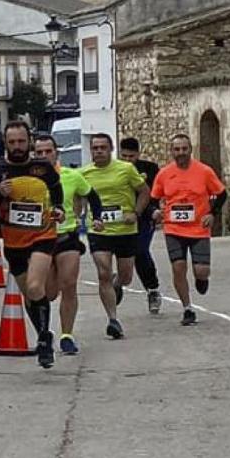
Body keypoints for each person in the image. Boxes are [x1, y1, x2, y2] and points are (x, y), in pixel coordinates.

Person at [0, 121, 66, 369]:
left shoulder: (42, 168)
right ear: (5, 143)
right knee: (30, 296)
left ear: (29, 141)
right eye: (12, 142)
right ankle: (43, 335)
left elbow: (56, 192)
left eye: (21, 141)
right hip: (13, 241)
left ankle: (44, 341)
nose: (17, 146)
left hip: (42, 235)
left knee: (36, 286)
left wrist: (59, 210)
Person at [34, 134, 102, 355]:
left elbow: (92, 196)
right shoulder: (29, 178)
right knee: (49, 293)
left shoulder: (72, 176)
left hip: (67, 237)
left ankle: (67, 335)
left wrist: (97, 217)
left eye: (48, 151)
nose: (44, 155)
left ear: (56, 153)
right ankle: (44, 332)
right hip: (40, 239)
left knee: (69, 285)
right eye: (39, 152)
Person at [151, 133, 227, 326]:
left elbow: (221, 194)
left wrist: (212, 213)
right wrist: (155, 211)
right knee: (178, 268)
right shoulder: (165, 173)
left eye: (184, 149)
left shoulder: (204, 171)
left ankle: (201, 279)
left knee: (201, 271)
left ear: (190, 150)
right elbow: (153, 198)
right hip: (173, 228)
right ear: (171, 151)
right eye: (177, 149)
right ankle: (187, 308)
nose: (181, 153)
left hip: (198, 228)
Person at [81, 133, 150, 341]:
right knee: (103, 273)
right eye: (95, 148)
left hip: (125, 230)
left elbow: (145, 192)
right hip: (99, 230)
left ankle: (117, 284)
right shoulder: (84, 173)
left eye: (103, 147)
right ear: (91, 151)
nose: (99, 151)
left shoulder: (126, 169)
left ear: (111, 149)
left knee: (126, 276)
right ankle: (113, 320)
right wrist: (78, 217)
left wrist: (136, 213)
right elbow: (78, 197)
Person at [119, 138, 164, 313]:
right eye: (124, 156)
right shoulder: (114, 169)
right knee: (121, 254)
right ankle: (117, 281)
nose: (128, 160)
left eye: (131, 156)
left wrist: (153, 210)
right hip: (120, 218)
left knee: (140, 251)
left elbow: (154, 193)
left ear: (138, 154)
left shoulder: (150, 169)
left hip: (144, 217)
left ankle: (152, 289)